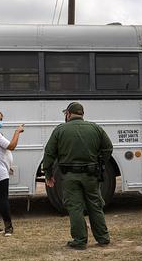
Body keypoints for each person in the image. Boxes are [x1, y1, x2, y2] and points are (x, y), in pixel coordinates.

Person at [43, 102, 112, 250]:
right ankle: (103, 238)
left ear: (68, 114)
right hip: (91, 175)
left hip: (69, 176)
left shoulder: (60, 130)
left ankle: (80, 240)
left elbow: (49, 154)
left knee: (75, 207)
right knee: (95, 205)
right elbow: (108, 148)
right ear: (82, 114)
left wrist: (48, 174)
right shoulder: (95, 128)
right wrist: (99, 163)